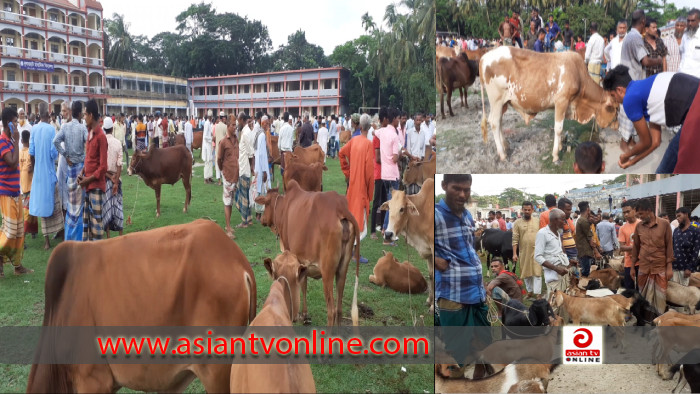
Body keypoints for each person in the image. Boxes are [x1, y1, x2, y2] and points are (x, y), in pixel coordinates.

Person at [603, 65, 700, 172]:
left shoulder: (629, 99)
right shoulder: (645, 90)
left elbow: (646, 142)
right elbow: (655, 142)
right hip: (695, 100)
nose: (614, 100)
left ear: (619, 90)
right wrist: (632, 161)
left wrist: (627, 155)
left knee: (667, 167)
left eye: (613, 95)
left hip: (695, 108)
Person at [435, 174, 489, 363]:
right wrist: (434, 259)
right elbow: (417, 242)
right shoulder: (435, 215)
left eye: (466, 190)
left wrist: (480, 279)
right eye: (456, 188)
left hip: (477, 293)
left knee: (484, 347)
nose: (462, 194)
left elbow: (469, 248)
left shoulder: (467, 215)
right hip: (453, 294)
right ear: (444, 186)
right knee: (457, 355)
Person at [0, 107, 32, 277]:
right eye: (13, 121)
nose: (16, 124)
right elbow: (12, 162)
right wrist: (17, 139)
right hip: (6, 193)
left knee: (19, 232)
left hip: (15, 191)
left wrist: (15, 141)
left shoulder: (10, 141)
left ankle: (18, 267)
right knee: (10, 231)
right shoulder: (3, 141)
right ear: (7, 123)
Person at [339, 113, 374, 264]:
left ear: (360, 126)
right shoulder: (368, 144)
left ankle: (349, 252)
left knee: (352, 219)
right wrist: (369, 193)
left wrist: (348, 172)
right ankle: (355, 255)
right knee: (360, 223)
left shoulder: (354, 141)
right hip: (361, 189)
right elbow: (369, 173)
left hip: (352, 187)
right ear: (370, 127)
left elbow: (341, 153)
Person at [29, 104, 63, 250]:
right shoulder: (50, 129)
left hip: (38, 174)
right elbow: (53, 153)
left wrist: (36, 166)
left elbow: (31, 152)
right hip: (49, 173)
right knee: (55, 205)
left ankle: (47, 241)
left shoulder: (34, 129)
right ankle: (60, 231)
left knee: (43, 208)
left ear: (38, 113)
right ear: (48, 114)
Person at [631, 199, 673, 314]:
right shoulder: (639, 226)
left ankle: (658, 322)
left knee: (660, 298)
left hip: (660, 268)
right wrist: (632, 267)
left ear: (649, 210)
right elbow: (636, 247)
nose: (639, 217)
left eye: (641, 214)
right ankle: (645, 322)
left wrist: (669, 268)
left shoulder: (665, 224)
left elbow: (669, 246)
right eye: (638, 215)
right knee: (643, 298)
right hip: (643, 269)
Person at [53, 101, 88, 241]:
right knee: (79, 207)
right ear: (80, 113)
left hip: (70, 170)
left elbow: (55, 141)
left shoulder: (65, 127)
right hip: (80, 170)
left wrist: (65, 154)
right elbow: (89, 145)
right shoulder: (82, 128)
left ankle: (69, 237)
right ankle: (79, 238)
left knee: (71, 206)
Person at [79, 100, 107, 241]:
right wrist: (82, 172)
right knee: (87, 223)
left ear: (90, 115)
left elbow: (103, 167)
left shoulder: (101, 136)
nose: (84, 117)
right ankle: (89, 254)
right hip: (88, 185)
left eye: (85, 114)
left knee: (96, 224)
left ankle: (98, 256)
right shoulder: (89, 133)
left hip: (95, 186)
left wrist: (87, 179)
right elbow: (88, 158)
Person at [376, 107, 401, 244]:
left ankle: (385, 229)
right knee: (392, 206)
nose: (399, 120)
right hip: (393, 174)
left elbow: (374, 130)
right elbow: (395, 158)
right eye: (398, 118)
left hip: (384, 174)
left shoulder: (382, 131)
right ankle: (387, 233)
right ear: (394, 119)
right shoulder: (394, 135)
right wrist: (401, 154)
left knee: (389, 203)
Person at [534, 208, 571, 299]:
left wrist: (569, 262)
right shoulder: (542, 233)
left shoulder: (557, 233)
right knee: (554, 301)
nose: (565, 222)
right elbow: (538, 257)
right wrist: (556, 269)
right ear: (555, 220)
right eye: (563, 219)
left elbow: (557, 252)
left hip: (562, 272)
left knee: (563, 299)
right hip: (553, 274)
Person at [512, 201, 541, 301]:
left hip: (537, 251)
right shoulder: (517, 223)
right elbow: (515, 238)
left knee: (537, 272)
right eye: (525, 210)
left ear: (532, 210)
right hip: (524, 252)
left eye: (529, 210)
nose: (527, 211)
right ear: (522, 210)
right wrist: (514, 253)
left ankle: (538, 294)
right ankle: (529, 292)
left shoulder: (538, 221)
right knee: (526, 272)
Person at [218, 114, 239, 239]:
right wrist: (223, 171)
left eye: (236, 124)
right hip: (227, 175)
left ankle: (229, 226)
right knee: (227, 202)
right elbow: (219, 159)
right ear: (228, 126)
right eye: (233, 125)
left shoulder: (236, 139)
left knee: (230, 201)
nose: (235, 127)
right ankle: (227, 229)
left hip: (235, 175)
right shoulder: (223, 142)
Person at [101, 117, 123, 239]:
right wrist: (116, 180)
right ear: (112, 129)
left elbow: (101, 166)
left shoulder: (102, 142)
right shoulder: (118, 143)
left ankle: (108, 236)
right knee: (118, 206)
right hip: (116, 177)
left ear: (104, 129)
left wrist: (110, 177)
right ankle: (120, 235)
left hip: (106, 178)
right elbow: (119, 164)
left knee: (107, 206)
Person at [235, 112, 255, 228]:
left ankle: (244, 222)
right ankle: (249, 218)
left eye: (238, 121)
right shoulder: (246, 131)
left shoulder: (246, 133)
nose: (237, 123)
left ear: (242, 120)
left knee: (243, 195)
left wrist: (251, 167)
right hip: (244, 166)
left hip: (244, 168)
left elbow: (250, 153)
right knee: (245, 194)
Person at [672, 207, 700, 286]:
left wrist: (689, 268)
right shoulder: (676, 231)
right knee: (674, 293)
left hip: (686, 271)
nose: (677, 218)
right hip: (674, 268)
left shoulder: (695, 231)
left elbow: (696, 251)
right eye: (676, 217)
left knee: (685, 294)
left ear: (686, 215)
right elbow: (672, 247)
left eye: (679, 216)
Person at [575, 201, 602, 277]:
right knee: (586, 274)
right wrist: (596, 252)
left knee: (585, 272)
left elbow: (595, 222)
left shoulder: (581, 220)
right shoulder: (583, 221)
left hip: (583, 252)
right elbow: (590, 238)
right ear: (588, 210)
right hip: (585, 252)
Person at [19, 130, 38, 240]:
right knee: (29, 210)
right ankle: (28, 233)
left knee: (29, 209)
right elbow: (32, 167)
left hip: (25, 185)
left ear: (21, 141)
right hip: (30, 185)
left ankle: (28, 233)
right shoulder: (31, 153)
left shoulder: (20, 153)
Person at [253, 115, 271, 223]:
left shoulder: (260, 133)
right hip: (261, 168)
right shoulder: (261, 135)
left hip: (261, 166)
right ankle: (259, 215)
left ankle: (261, 214)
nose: (268, 125)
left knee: (261, 190)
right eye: (267, 123)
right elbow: (260, 155)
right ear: (263, 123)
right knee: (261, 190)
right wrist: (264, 171)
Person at [679, 8, 700, 78]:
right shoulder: (685, 36)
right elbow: (682, 54)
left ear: (699, 21)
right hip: (682, 76)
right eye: (688, 21)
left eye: (692, 21)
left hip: (696, 80)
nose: (690, 23)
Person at [214, 112, 228, 185]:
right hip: (223, 148)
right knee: (223, 163)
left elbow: (214, 137)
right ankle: (223, 180)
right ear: (223, 118)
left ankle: (219, 181)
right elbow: (227, 137)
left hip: (217, 147)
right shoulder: (225, 127)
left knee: (217, 163)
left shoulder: (216, 126)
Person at [202, 111, 214, 184]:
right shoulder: (206, 123)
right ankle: (206, 178)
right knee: (207, 162)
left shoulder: (209, 123)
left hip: (209, 145)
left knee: (210, 161)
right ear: (210, 117)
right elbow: (205, 136)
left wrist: (211, 134)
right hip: (207, 146)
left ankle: (209, 177)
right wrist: (211, 138)